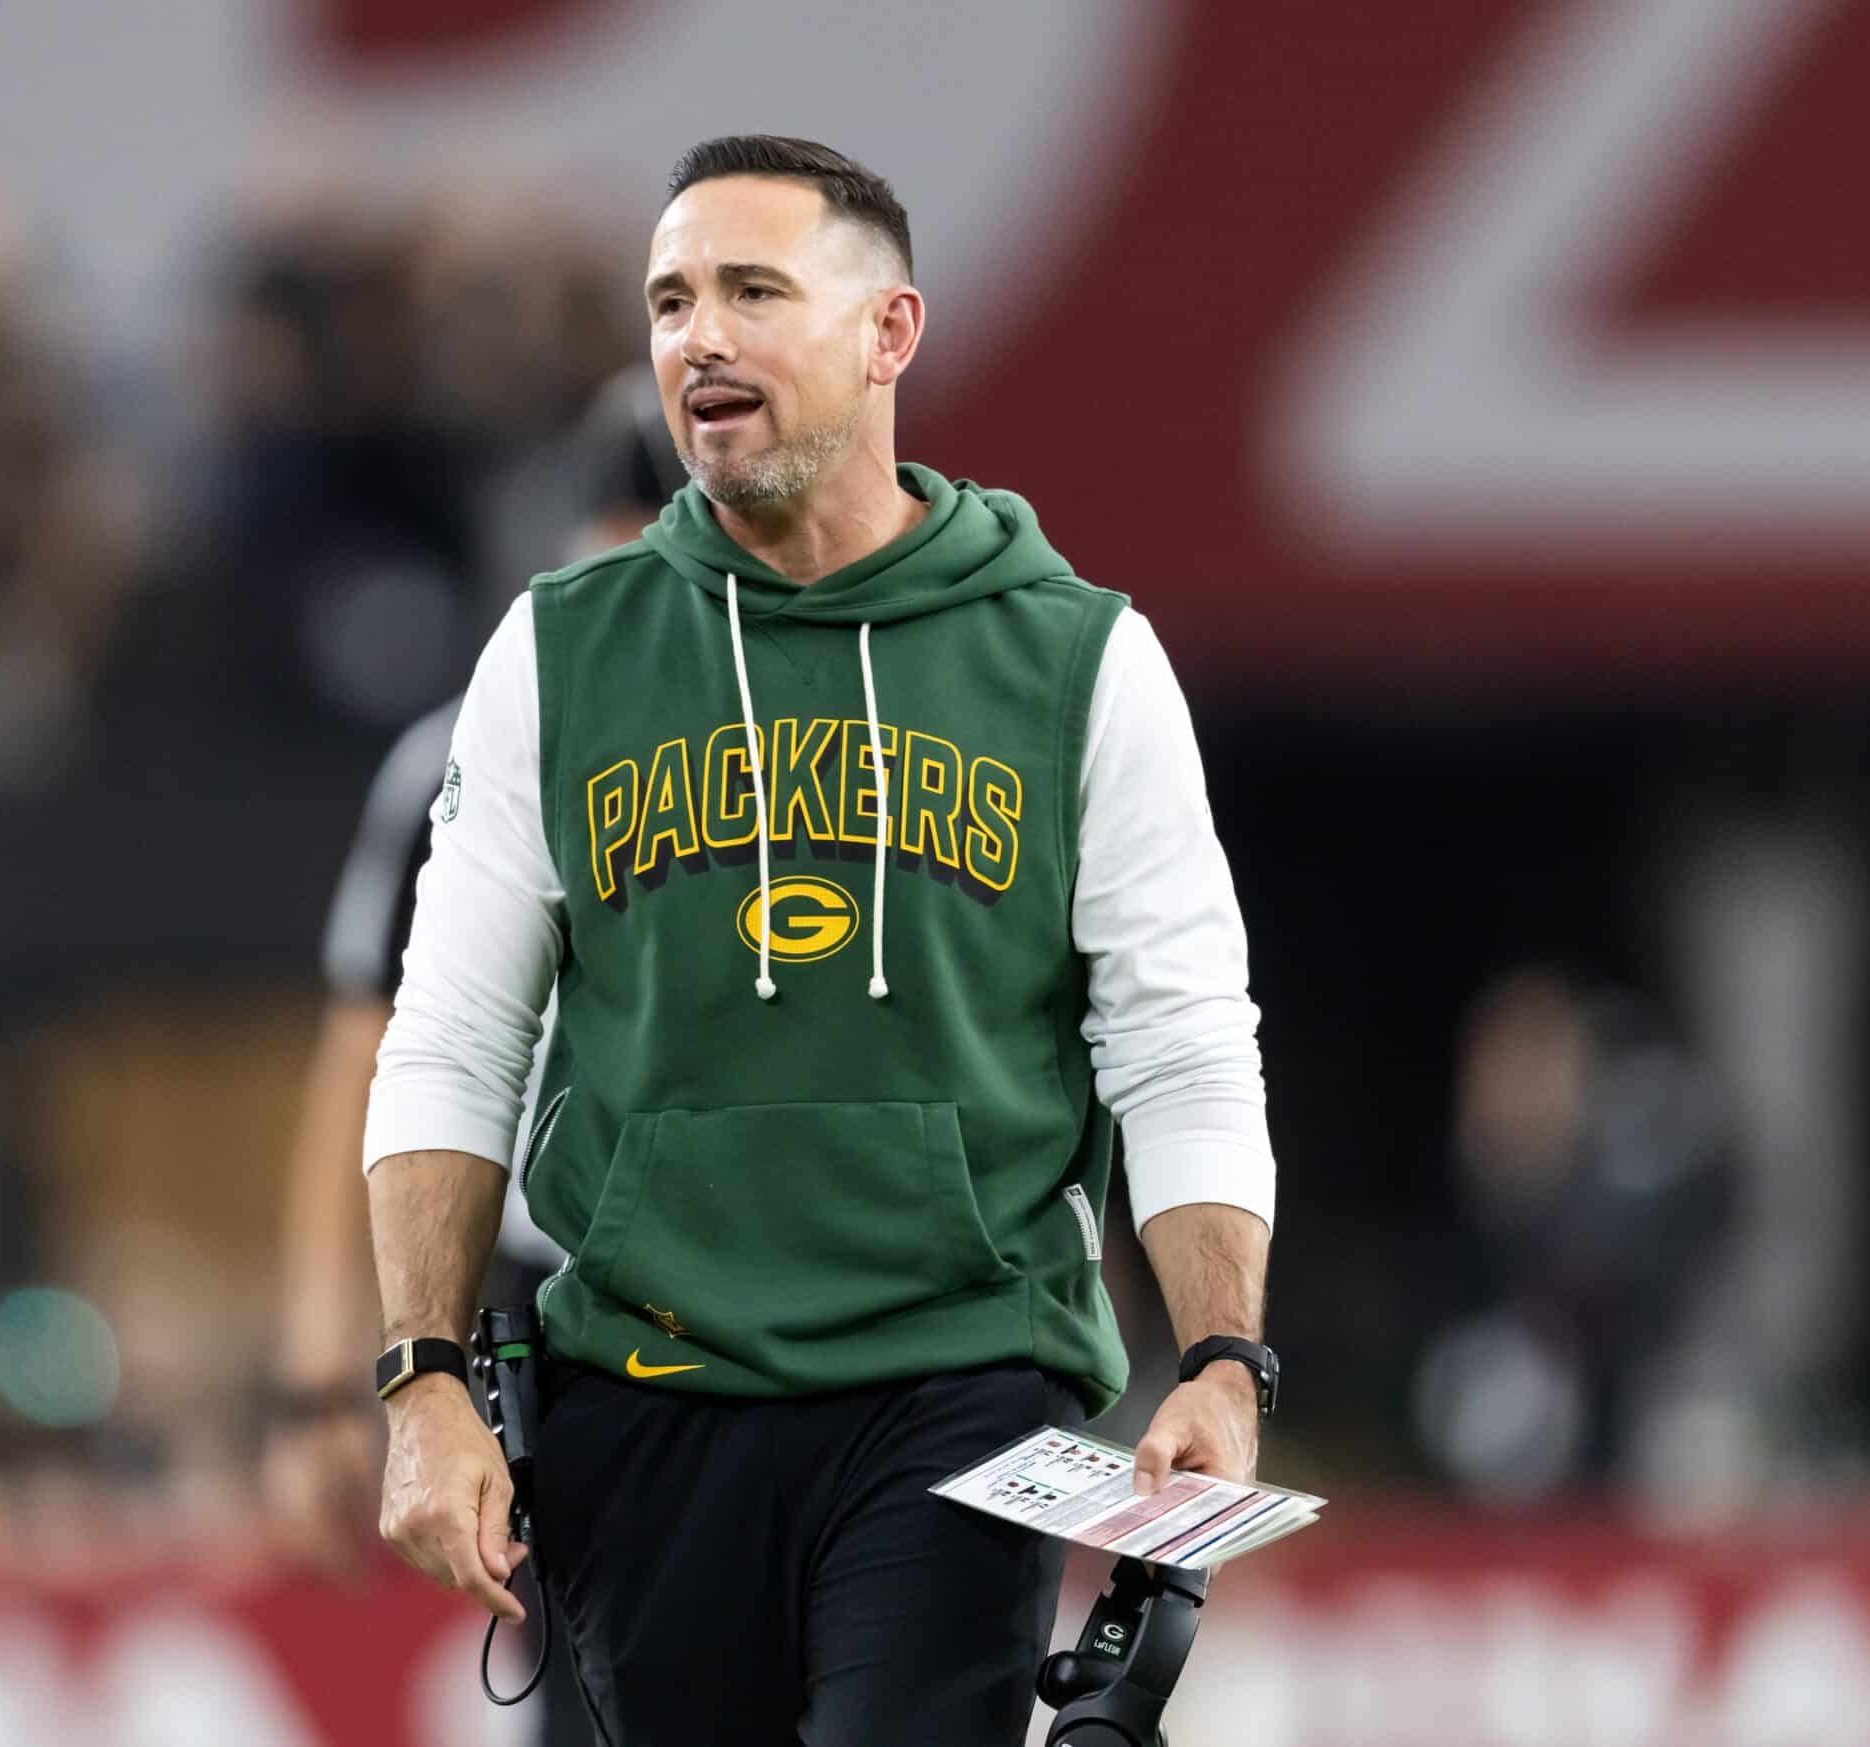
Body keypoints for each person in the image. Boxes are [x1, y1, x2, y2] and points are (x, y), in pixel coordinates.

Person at [363, 136, 1278, 1745]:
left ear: (888, 333)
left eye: (752, 291)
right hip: (646, 1392)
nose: (696, 337)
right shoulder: (561, 654)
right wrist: (422, 1378)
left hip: (959, 1387)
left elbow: (1182, 1037)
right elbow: (450, 1034)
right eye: (669, 301)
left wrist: (1219, 1358)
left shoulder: (1080, 659)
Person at [266, 376, 686, 1744]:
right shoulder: (464, 755)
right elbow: (364, 1070)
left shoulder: (832, 757)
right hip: (562, 1307)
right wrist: (326, 1379)